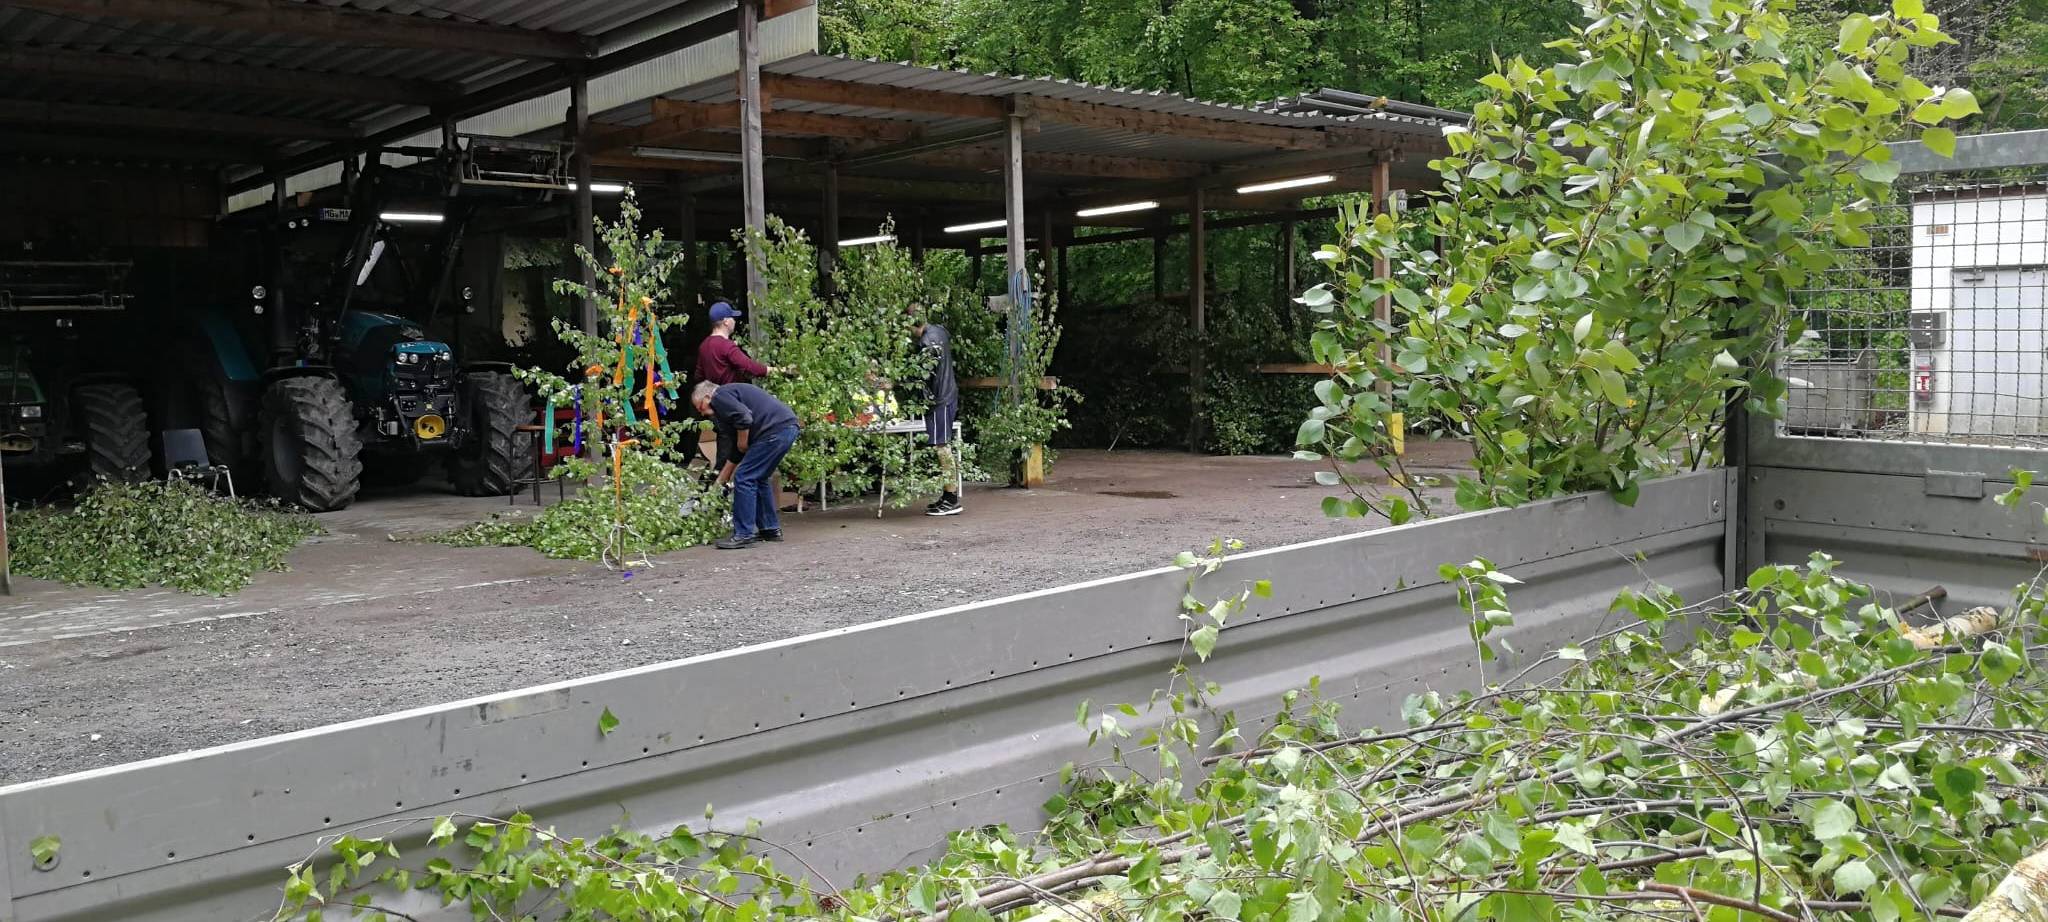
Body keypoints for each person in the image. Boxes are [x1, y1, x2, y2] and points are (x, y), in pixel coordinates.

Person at [693, 380, 801, 549]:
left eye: (701, 407)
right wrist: (720, 481)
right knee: (760, 477)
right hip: (786, 428)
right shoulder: (729, 406)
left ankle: (744, 533)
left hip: (773, 430)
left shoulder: (719, 396)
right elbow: (736, 451)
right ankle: (770, 529)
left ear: (707, 396)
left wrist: (743, 442)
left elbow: (744, 419)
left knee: (744, 477)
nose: (703, 413)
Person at [911, 306, 962, 516]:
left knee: (942, 447)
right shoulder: (939, 330)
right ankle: (948, 495)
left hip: (939, 398)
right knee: (943, 446)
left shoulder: (926, 342)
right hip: (948, 394)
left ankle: (951, 499)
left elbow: (922, 374)